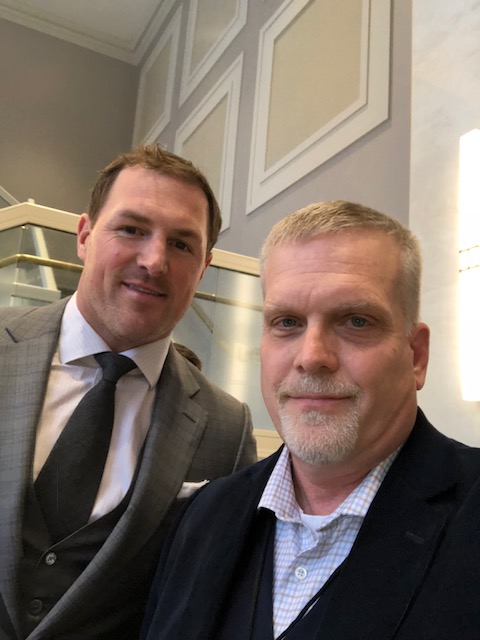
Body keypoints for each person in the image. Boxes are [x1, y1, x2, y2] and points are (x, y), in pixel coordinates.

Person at [140, 200, 480, 640]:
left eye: (356, 321)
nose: (312, 356)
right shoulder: (203, 517)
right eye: (287, 322)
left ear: (416, 356)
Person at [0, 144, 256, 640]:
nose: (155, 261)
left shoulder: (227, 428)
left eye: (181, 244)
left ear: (202, 268)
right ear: (85, 235)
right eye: (132, 229)